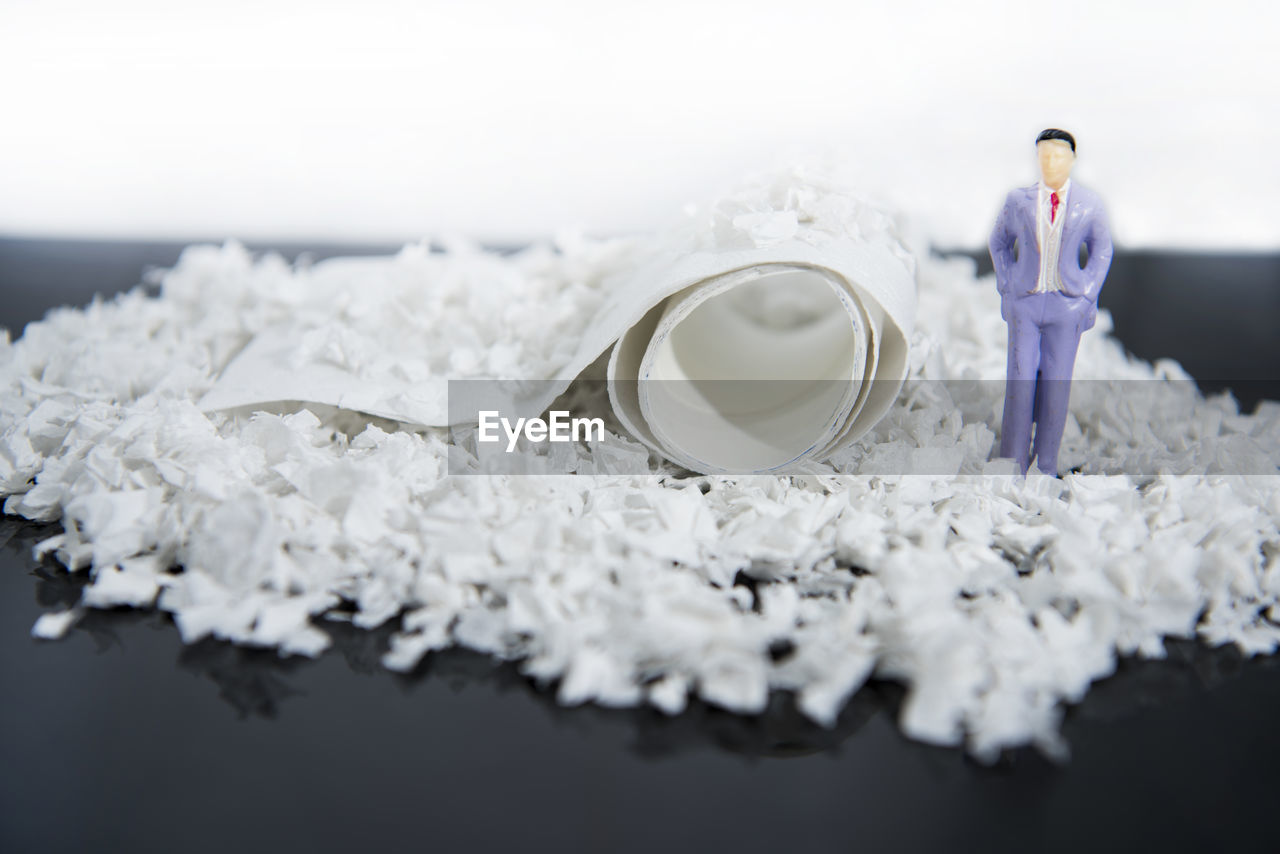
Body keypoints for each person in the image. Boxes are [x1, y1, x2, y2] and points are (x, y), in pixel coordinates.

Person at [989, 128, 1113, 475]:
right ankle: (1012, 459)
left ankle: (1045, 463)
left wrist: (1088, 292)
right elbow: (998, 242)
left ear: (1072, 158)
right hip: (1025, 302)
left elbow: (1102, 249)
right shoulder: (1018, 200)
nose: (1050, 161)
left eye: (1058, 155)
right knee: (1020, 380)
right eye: (1044, 154)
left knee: (1056, 385)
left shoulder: (1089, 203)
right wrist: (1006, 283)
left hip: (1066, 303)